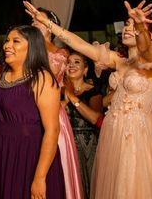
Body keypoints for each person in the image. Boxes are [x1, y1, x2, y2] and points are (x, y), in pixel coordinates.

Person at [24, 0, 152, 198]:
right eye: (127, 25)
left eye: (134, 26)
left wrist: (140, 25)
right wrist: (48, 24)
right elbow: (79, 44)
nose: (127, 29)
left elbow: (146, 49)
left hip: (138, 138)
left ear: (150, 35)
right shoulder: (118, 60)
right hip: (112, 135)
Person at [0, 25, 65, 199]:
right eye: (7, 40)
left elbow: (52, 131)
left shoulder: (42, 78)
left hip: (31, 156)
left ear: (32, 46)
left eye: (15, 41)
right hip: (3, 153)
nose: (7, 45)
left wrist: (39, 177)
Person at [29, 6, 83, 199]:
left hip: (52, 113)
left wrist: (38, 38)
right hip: (28, 112)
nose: (34, 23)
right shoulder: (26, 50)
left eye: (39, 21)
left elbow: (49, 75)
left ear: (50, 26)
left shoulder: (60, 53)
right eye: (33, 21)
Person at [63, 53, 103, 198]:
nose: (71, 65)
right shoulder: (58, 92)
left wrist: (72, 97)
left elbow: (95, 119)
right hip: (65, 145)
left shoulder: (93, 92)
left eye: (77, 62)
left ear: (85, 69)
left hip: (89, 146)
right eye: (68, 62)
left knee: (91, 187)